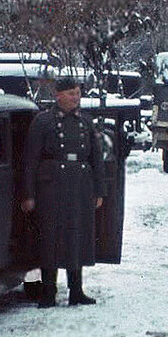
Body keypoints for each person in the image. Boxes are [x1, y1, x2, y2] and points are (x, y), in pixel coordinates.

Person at [21, 77, 105, 308]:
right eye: (70, 93)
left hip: (80, 186)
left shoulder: (86, 122)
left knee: (76, 236)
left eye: (77, 93)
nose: (75, 97)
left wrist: (99, 190)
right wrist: (28, 194)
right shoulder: (43, 121)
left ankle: (76, 291)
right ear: (58, 95)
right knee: (51, 237)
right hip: (51, 187)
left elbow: (96, 157)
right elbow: (30, 160)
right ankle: (48, 292)